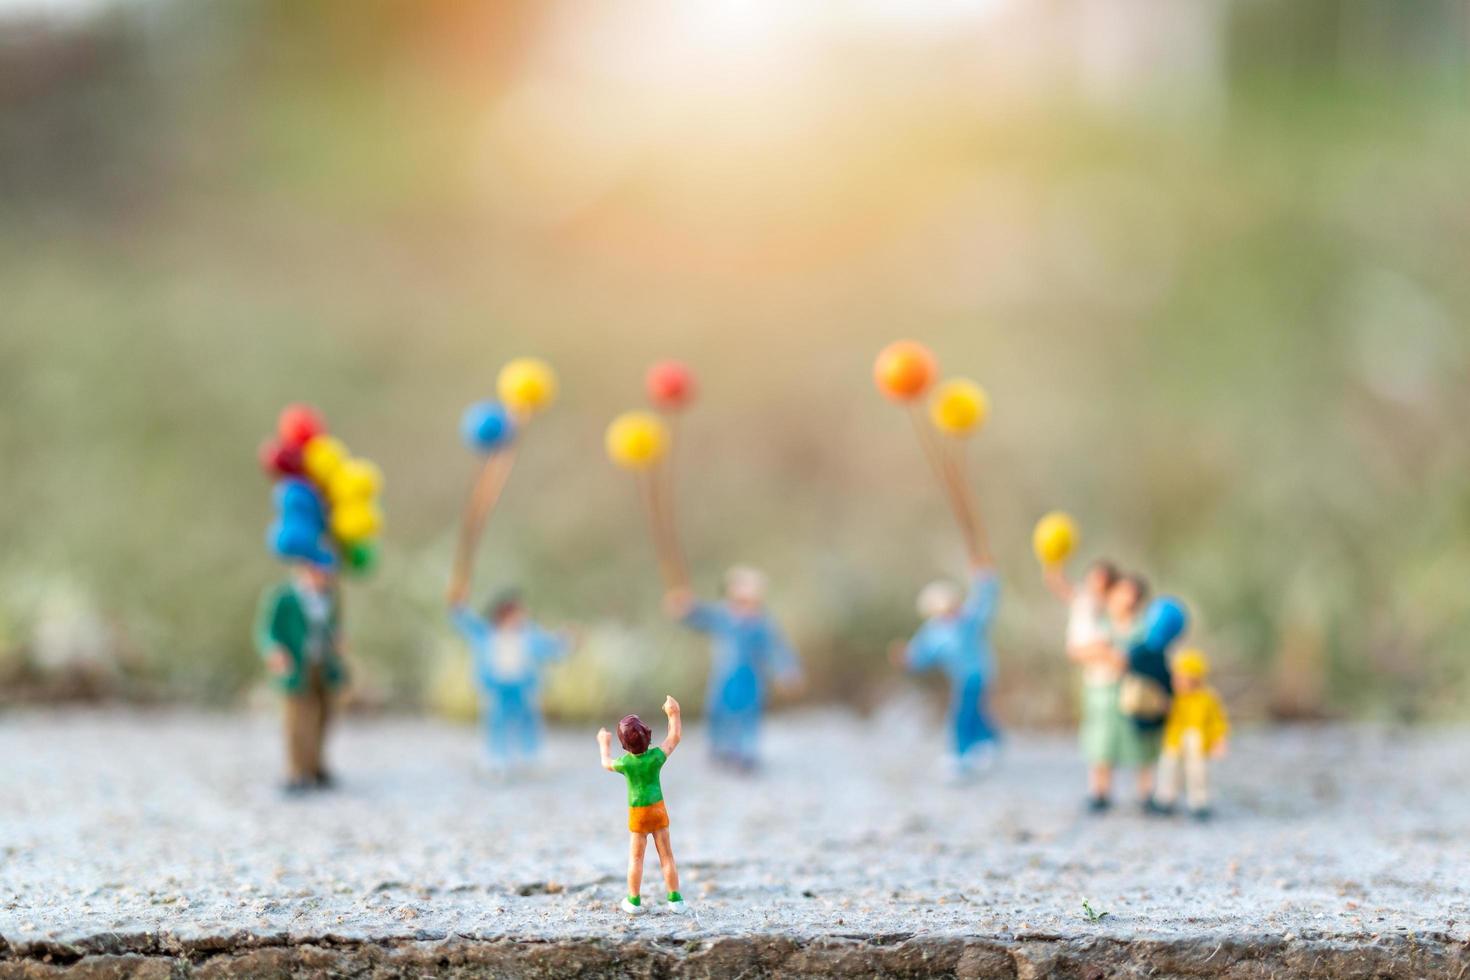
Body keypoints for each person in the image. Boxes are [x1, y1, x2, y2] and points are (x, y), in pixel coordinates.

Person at [664, 567, 801, 770]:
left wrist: (786, 669)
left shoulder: (762, 623)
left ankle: (746, 751)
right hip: (725, 676)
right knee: (719, 711)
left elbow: (776, 648)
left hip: (751, 678)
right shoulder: (723, 616)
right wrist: (685, 609)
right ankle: (720, 748)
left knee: (747, 715)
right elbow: (700, 616)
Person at [892, 560, 1002, 779]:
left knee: (963, 714)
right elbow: (922, 652)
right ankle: (989, 741)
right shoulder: (936, 630)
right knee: (976, 713)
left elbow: (985, 600)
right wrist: (907, 658)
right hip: (961, 677)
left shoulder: (968, 620)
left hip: (979, 674)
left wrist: (985, 578)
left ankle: (960, 755)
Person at [448, 582, 573, 772]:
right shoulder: (487, 634)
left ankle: (530, 756)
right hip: (497, 686)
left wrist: (565, 642)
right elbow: (466, 624)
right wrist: (458, 607)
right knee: (496, 721)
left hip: (521, 685)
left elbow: (548, 647)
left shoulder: (528, 635)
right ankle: (496, 757)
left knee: (527, 720)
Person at [255, 557, 347, 795]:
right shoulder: (283, 597)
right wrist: (274, 650)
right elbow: (267, 630)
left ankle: (316, 765)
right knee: (297, 717)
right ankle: (296, 770)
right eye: (315, 571)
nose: (320, 577)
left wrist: (337, 641)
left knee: (324, 713)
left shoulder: (329, 598)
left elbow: (332, 627)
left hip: (323, 663)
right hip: (297, 664)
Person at [598, 696, 686, 915]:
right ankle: (675, 899)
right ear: (648, 735)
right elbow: (674, 737)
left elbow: (606, 763)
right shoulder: (656, 757)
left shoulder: (626, 763)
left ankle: (634, 900)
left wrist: (603, 743)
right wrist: (673, 713)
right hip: (657, 810)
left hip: (638, 813)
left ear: (624, 743)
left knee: (636, 858)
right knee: (667, 856)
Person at [1074, 572, 1153, 812]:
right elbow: (1080, 651)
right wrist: (1107, 655)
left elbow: (1148, 654)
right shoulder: (1099, 623)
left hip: (1135, 691)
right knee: (1101, 741)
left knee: (1141, 740)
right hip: (1102, 690)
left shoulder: (1143, 626)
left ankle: (1146, 792)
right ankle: (1100, 791)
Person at [1153, 648, 1228, 820]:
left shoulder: (1208, 698)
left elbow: (1217, 721)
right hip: (1174, 740)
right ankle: (1165, 798)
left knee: (1197, 771)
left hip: (1197, 740)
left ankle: (1199, 802)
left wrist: (1219, 740)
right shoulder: (1175, 698)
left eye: (1181, 678)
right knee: (1169, 768)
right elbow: (1164, 715)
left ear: (1194, 679)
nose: (1176, 682)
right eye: (1176, 678)